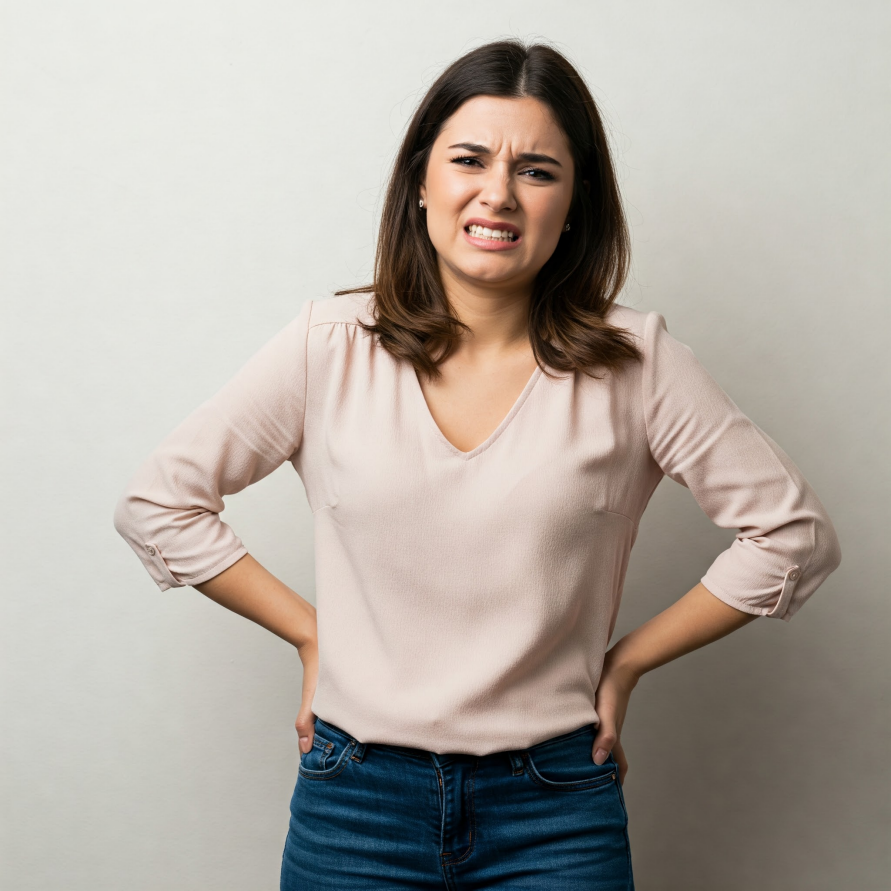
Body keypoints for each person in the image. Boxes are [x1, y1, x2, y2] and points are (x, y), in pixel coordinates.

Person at [113, 38, 842, 890]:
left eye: (536, 170)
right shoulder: (329, 345)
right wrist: (312, 633)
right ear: (420, 182)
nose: (498, 192)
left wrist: (627, 661)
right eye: (469, 160)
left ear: (574, 203)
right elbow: (159, 503)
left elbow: (792, 536)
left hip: (555, 812)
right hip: (354, 803)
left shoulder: (635, 362)